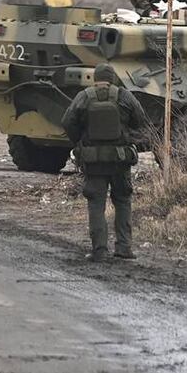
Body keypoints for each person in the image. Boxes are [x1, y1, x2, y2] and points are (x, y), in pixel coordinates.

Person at [61, 63, 149, 262]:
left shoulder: (84, 96)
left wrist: (81, 142)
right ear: (113, 78)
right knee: (123, 201)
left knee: (96, 204)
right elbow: (141, 120)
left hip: (94, 161)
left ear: (95, 78)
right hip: (120, 159)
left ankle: (99, 250)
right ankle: (124, 247)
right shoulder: (124, 96)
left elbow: (67, 121)